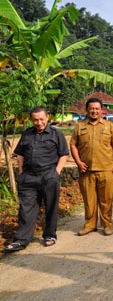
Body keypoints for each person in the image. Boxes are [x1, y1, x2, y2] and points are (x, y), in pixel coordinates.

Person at [5, 107, 69, 252]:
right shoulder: (27, 133)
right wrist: (21, 171)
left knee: (50, 206)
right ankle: (21, 240)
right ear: (31, 120)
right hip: (29, 177)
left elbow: (64, 154)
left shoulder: (56, 134)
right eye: (35, 120)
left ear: (47, 117)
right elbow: (20, 153)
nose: (39, 122)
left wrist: (56, 172)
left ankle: (50, 235)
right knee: (26, 209)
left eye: (41, 119)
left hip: (48, 175)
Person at [70, 98, 113, 237]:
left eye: (97, 109)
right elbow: (73, 145)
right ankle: (89, 225)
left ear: (101, 110)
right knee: (89, 200)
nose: (94, 111)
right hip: (86, 170)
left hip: (106, 169)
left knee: (106, 199)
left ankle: (107, 225)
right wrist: (79, 162)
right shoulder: (79, 127)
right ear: (87, 109)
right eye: (92, 108)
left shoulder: (109, 126)